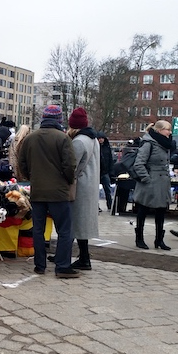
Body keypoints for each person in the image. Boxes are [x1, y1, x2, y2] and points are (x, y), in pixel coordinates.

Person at [17, 105, 79, 278]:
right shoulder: (63, 138)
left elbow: (22, 164)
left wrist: (32, 177)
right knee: (64, 230)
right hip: (59, 192)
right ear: (59, 119)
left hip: (37, 191)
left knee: (38, 229)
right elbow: (70, 165)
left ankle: (40, 265)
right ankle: (62, 266)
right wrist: (67, 180)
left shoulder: (30, 138)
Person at [67, 108, 100, 271]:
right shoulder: (93, 139)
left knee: (76, 222)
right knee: (82, 222)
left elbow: (71, 166)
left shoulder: (78, 142)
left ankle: (82, 258)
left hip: (80, 186)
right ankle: (83, 256)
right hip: (90, 184)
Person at [132, 120, 173, 251]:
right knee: (143, 210)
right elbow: (139, 163)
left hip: (162, 181)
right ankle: (139, 238)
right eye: (167, 129)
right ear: (159, 130)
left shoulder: (165, 144)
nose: (170, 132)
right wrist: (146, 179)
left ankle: (159, 239)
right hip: (150, 182)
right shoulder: (148, 143)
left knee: (161, 211)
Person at [96, 132, 114, 211]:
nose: (101, 140)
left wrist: (111, 171)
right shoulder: (97, 147)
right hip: (98, 172)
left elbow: (110, 159)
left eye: (102, 138)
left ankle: (110, 205)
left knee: (107, 190)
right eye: (99, 138)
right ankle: (97, 206)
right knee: (96, 191)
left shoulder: (107, 148)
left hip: (104, 171)